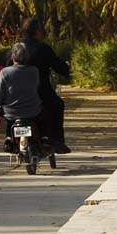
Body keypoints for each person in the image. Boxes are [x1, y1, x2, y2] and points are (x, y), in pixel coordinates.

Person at [16, 17, 71, 153]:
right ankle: (56, 140)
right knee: (58, 105)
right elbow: (59, 67)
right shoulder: (43, 49)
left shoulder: (13, 49)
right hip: (42, 95)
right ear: (38, 32)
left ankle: (10, 138)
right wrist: (66, 69)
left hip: (15, 98)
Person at [0, 43, 42, 152]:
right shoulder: (34, 71)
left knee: (7, 120)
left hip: (11, 114)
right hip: (33, 111)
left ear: (13, 57)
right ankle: (41, 138)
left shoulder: (5, 72)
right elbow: (36, 88)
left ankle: (9, 137)